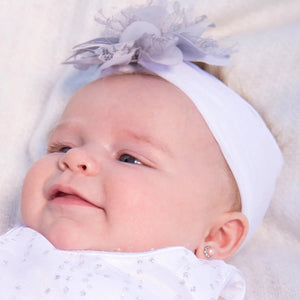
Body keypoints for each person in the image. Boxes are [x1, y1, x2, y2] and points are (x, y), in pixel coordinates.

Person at [0, 3, 283, 299]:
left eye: (129, 158)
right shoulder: (15, 251)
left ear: (216, 236)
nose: (75, 158)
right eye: (62, 146)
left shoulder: (181, 284)